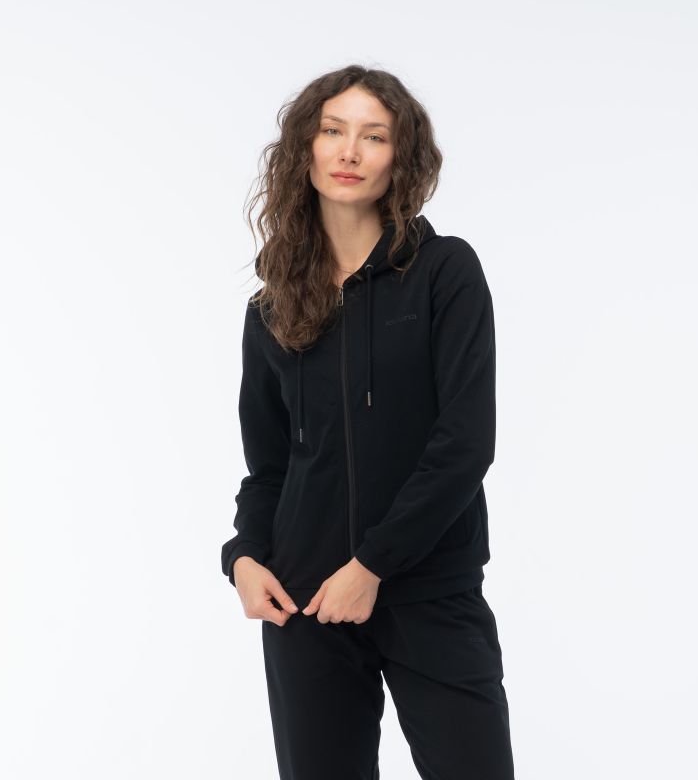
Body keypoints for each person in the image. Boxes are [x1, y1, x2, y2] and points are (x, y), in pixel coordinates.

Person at [221, 64, 515, 780]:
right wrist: (244, 556)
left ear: (400, 158)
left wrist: (373, 565)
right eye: (333, 131)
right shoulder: (272, 306)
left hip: (429, 590)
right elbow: (270, 467)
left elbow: (465, 444)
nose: (349, 151)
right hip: (305, 600)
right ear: (306, 148)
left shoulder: (444, 272)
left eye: (374, 136)